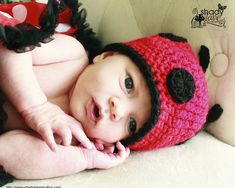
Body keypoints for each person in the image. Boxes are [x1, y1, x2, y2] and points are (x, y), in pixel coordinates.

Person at [0, 0, 210, 182]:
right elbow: (12, 45)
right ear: (106, 56)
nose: (118, 110)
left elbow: (7, 153)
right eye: (128, 84)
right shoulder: (72, 56)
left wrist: (84, 158)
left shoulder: (72, 138)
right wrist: (37, 107)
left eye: (132, 124)